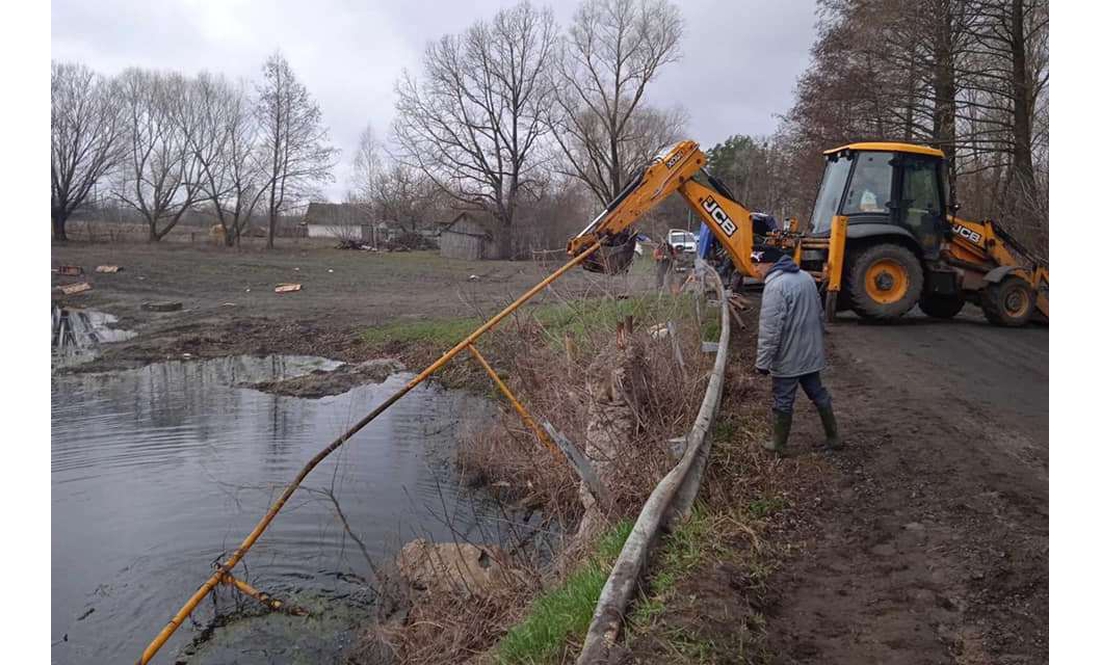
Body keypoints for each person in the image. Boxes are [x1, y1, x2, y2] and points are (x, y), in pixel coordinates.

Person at [754, 254, 842, 453]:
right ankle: (834, 437)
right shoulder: (806, 277)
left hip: (789, 357)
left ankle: (779, 445)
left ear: (770, 263)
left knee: (783, 400)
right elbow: (819, 314)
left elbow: (771, 329)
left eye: (758, 264)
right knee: (819, 394)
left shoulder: (775, 287)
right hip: (810, 353)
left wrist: (763, 362)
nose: (756, 270)